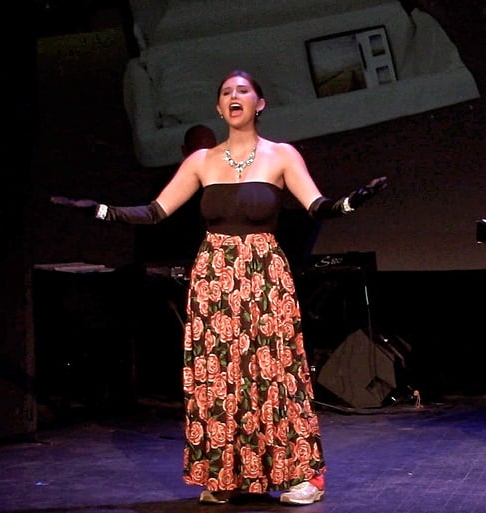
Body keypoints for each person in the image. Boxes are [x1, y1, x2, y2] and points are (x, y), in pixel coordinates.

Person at [51, 69, 388, 505]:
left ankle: (298, 476)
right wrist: (99, 211)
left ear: (259, 104)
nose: (234, 96)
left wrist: (353, 201)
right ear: (218, 107)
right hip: (214, 279)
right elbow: (154, 212)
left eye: (243, 90)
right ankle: (225, 474)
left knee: (274, 373)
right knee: (219, 377)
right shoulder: (201, 162)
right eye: (226, 92)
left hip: (265, 276)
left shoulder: (281, 156)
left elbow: (318, 207)